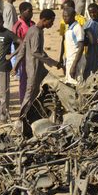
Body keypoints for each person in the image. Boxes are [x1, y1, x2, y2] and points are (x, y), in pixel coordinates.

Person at [13, 9, 62, 137]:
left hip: (39, 68)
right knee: (30, 95)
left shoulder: (35, 30)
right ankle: (20, 121)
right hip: (34, 68)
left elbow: (24, 48)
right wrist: (54, 63)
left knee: (45, 89)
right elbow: (35, 52)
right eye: (51, 21)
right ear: (45, 20)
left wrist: (16, 64)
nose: (52, 24)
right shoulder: (35, 32)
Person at [0, 14, 20, 123]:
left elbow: (21, 43)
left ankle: (4, 116)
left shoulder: (8, 34)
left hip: (4, 68)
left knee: (4, 94)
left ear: (2, 22)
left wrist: (12, 55)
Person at [13, 2, 35, 103]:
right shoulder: (17, 26)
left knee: (34, 81)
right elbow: (16, 44)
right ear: (22, 12)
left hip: (34, 57)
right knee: (24, 82)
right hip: (24, 59)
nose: (31, 13)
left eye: (32, 11)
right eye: (29, 11)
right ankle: (23, 104)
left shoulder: (33, 24)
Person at [58, 0, 85, 72]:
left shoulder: (81, 20)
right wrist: (61, 56)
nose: (65, 11)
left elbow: (82, 43)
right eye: (64, 9)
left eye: (67, 9)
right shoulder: (63, 21)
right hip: (68, 54)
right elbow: (63, 40)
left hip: (78, 55)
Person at [63, 7, 85, 84]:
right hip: (70, 61)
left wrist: (74, 65)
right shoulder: (69, 28)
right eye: (63, 16)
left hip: (76, 62)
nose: (64, 18)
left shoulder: (77, 28)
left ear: (73, 16)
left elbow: (81, 47)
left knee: (76, 85)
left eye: (66, 16)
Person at [84, 3, 98, 77]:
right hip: (91, 54)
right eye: (90, 13)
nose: (92, 14)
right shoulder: (87, 24)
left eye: (94, 12)